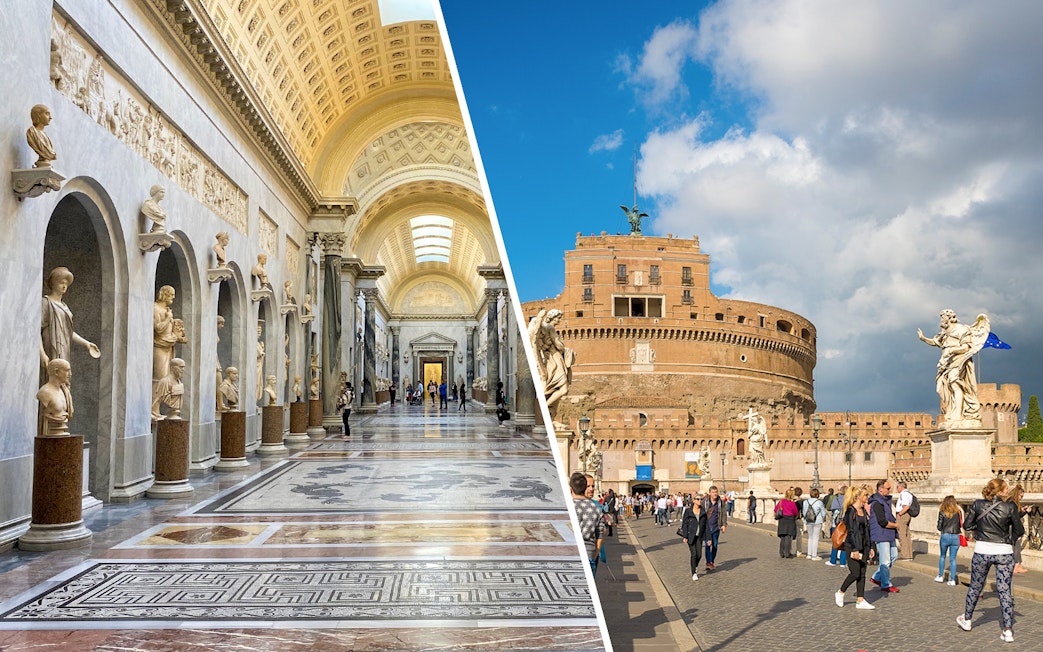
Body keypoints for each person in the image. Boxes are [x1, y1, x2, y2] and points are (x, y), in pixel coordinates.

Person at [958, 477, 1023, 642]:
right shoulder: (1010, 507)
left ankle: (967, 620)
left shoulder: (978, 505)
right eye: (1006, 488)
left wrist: (979, 532)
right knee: (1004, 590)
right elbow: (1019, 529)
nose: (1008, 490)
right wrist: (1009, 540)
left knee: (975, 586)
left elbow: (967, 525)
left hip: (982, 550)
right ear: (999, 491)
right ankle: (1007, 630)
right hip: (1004, 552)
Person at [917, 309, 990, 424]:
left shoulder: (962, 329)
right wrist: (923, 338)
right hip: (946, 362)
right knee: (945, 388)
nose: (941, 319)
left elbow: (966, 347)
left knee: (955, 384)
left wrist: (952, 350)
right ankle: (953, 411)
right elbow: (936, 342)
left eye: (943, 317)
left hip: (958, 360)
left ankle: (958, 415)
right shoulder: (945, 332)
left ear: (949, 317)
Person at [40, 267, 101, 374]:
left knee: (63, 376)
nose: (64, 286)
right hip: (50, 345)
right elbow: (35, 331)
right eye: (61, 283)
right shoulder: (46, 302)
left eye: (66, 284)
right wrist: (42, 354)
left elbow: (68, 332)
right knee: (51, 376)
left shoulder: (65, 307)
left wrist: (86, 344)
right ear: (53, 283)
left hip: (63, 347)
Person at [835, 484, 876, 609]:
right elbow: (851, 531)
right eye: (865, 495)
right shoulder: (850, 511)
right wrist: (855, 549)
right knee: (855, 573)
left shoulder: (864, 511)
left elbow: (867, 530)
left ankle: (860, 600)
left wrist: (871, 546)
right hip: (852, 545)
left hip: (864, 544)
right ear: (858, 497)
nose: (867, 497)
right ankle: (840, 592)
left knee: (862, 573)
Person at [869, 479, 900, 593]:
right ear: (880, 489)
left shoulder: (885, 501)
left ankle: (877, 577)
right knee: (885, 560)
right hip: (881, 534)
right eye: (888, 488)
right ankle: (886, 584)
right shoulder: (877, 503)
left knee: (894, 556)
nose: (889, 490)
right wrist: (895, 525)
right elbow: (882, 521)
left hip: (888, 533)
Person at [571, 472, 603, 576]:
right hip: (589, 553)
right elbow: (601, 534)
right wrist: (594, 556)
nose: (591, 489)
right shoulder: (596, 508)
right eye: (589, 486)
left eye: (593, 486)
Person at [37, 358, 73, 436]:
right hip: (49, 435)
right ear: (56, 372)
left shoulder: (64, 392)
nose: (70, 374)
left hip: (62, 433)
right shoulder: (45, 392)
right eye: (67, 370)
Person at [936, 494, 963, 585]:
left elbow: (939, 527)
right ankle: (952, 580)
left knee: (942, 556)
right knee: (953, 559)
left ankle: (940, 576)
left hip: (945, 535)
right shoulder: (958, 512)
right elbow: (960, 525)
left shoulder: (942, 512)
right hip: (955, 536)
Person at [701, 485, 727, 571]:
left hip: (716, 527)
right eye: (713, 492)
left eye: (716, 492)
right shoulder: (704, 502)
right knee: (707, 545)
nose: (715, 494)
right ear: (710, 493)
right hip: (707, 527)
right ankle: (708, 562)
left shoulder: (720, 502)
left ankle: (712, 560)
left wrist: (724, 525)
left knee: (715, 545)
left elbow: (723, 514)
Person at [681, 498, 707, 580]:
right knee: (694, 554)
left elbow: (706, 525)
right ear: (694, 501)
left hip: (699, 536)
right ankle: (694, 573)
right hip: (690, 535)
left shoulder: (703, 511)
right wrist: (685, 536)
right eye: (698, 499)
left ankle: (695, 565)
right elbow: (684, 524)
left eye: (701, 499)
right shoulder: (688, 511)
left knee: (699, 555)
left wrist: (708, 538)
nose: (700, 501)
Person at [1006, 484, 1030, 574]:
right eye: (1021, 496)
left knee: (1014, 546)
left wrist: (1022, 510)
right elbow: (1016, 517)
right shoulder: (1013, 504)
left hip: (1009, 527)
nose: (1021, 498)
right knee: (1017, 546)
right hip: (1013, 528)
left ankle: (1016, 565)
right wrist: (1026, 512)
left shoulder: (1009, 502)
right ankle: (1017, 565)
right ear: (1017, 494)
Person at [826, 484, 848, 567]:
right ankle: (843, 562)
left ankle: (833, 560)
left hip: (836, 524)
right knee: (844, 542)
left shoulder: (836, 499)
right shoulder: (849, 500)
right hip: (846, 523)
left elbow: (832, 510)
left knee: (835, 542)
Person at [774, 489, 799, 558]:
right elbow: (795, 512)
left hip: (782, 519)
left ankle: (781, 552)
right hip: (790, 520)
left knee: (782, 537)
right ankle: (787, 553)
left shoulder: (781, 501)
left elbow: (775, 509)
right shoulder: (792, 503)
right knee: (788, 536)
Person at [804, 487, 827, 560]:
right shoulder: (819, 502)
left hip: (808, 521)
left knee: (810, 537)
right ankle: (814, 555)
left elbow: (804, 512)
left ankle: (809, 554)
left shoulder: (805, 502)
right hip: (817, 521)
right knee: (815, 538)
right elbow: (823, 513)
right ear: (817, 494)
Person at [894, 480, 915, 559]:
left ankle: (905, 555)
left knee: (901, 535)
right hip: (906, 515)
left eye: (897, 487)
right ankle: (909, 554)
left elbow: (906, 506)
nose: (897, 489)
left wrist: (900, 514)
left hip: (903, 515)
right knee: (907, 535)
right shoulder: (909, 494)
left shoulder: (904, 494)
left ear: (901, 487)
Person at [792, 486, 806, 557]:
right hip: (798, 519)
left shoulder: (791, 501)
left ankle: (788, 550)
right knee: (799, 536)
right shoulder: (801, 502)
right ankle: (799, 551)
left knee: (790, 535)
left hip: (790, 519)